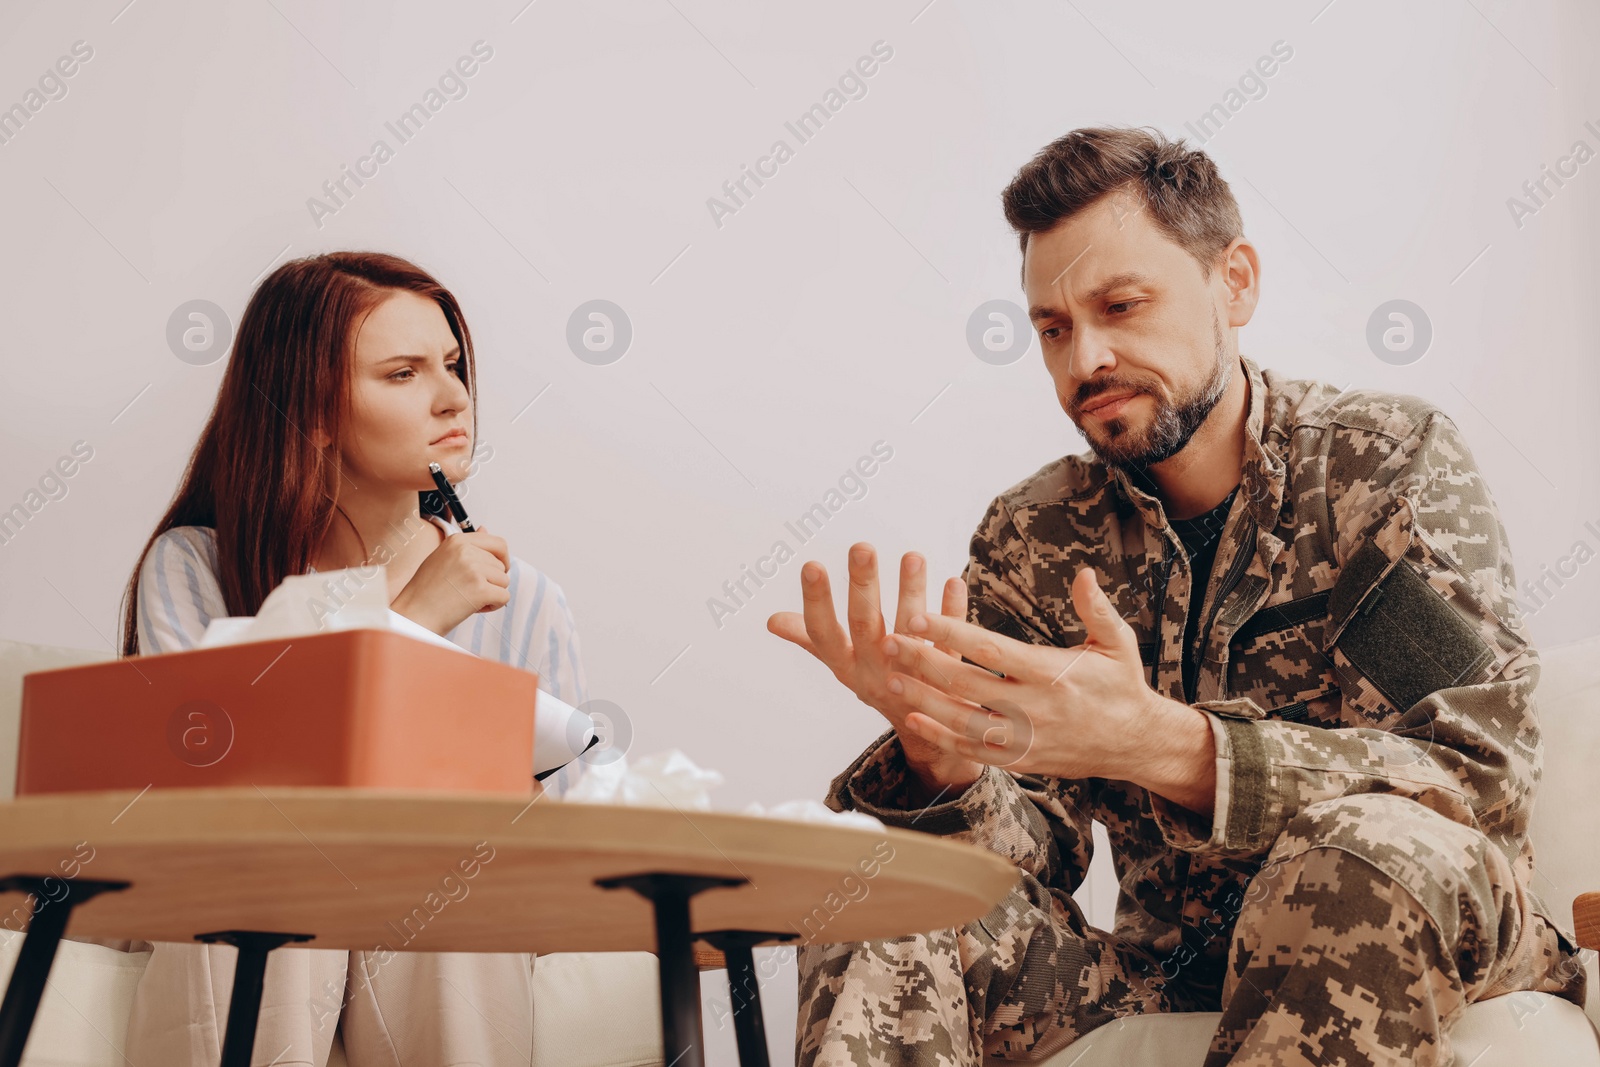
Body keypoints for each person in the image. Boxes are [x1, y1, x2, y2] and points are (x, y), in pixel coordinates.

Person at [768, 126, 1588, 1066]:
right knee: (882, 880)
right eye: (1053, 328)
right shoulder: (1037, 535)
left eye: (1121, 304)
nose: (1085, 361)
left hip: (1418, 911)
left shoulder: (1380, 471)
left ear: (1233, 281)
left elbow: (1473, 777)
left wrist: (1168, 744)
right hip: (1163, 969)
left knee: (1354, 851)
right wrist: (946, 766)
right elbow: (1033, 849)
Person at [112, 251, 589, 1066]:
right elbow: (200, 782)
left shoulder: (526, 599)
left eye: (452, 364)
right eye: (402, 373)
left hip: (434, 909)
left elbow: (575, 851)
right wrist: (415, 619)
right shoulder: (196, 565)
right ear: (311, 409)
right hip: (242, 892)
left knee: (449, 865)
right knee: (274, 861)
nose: (453, 398)